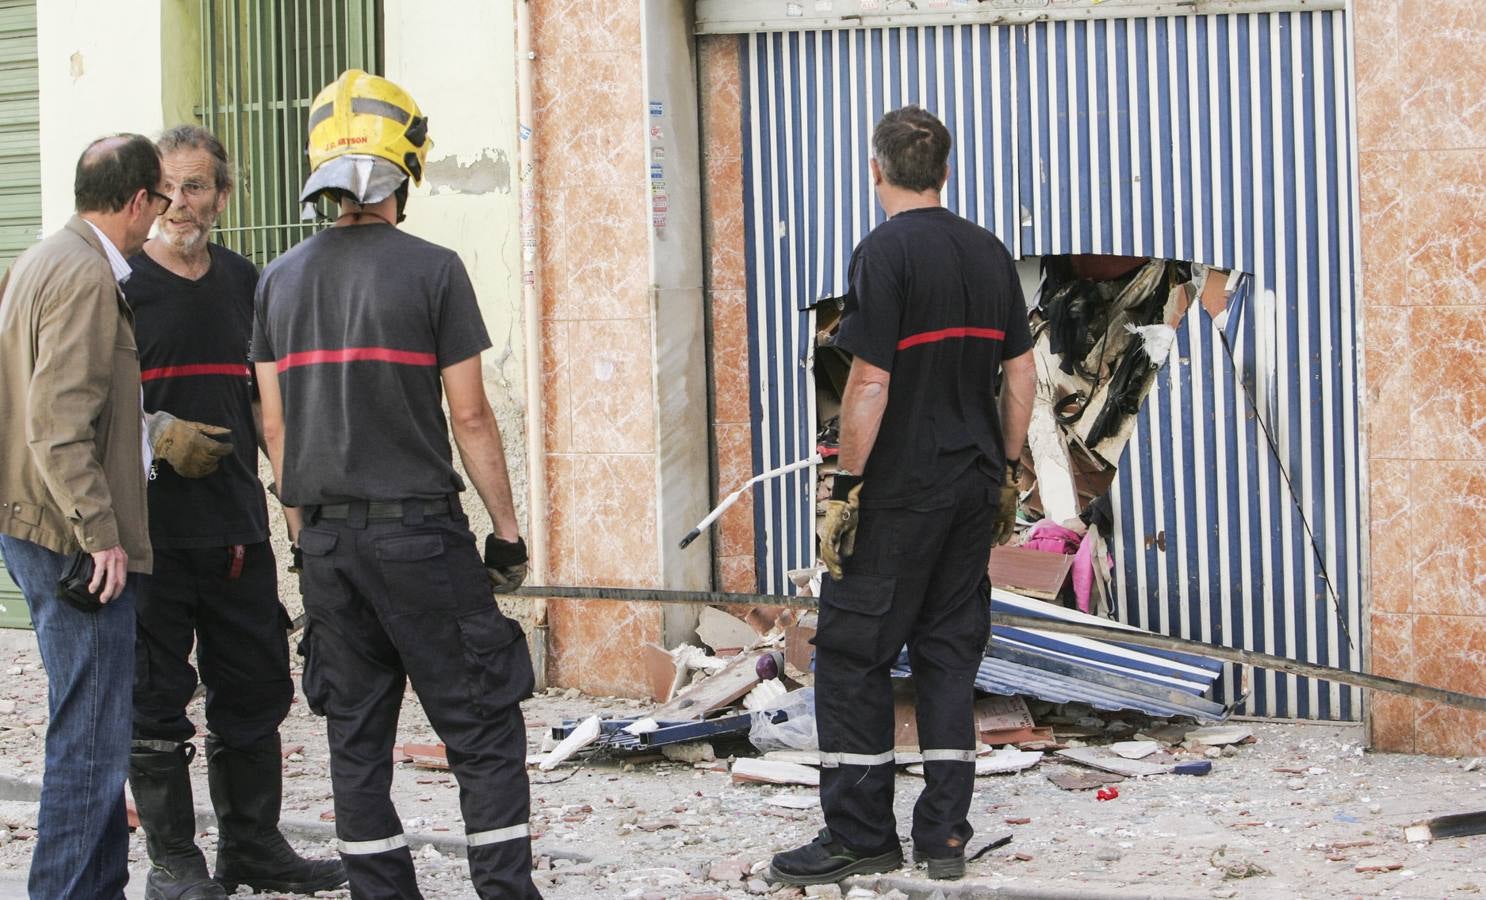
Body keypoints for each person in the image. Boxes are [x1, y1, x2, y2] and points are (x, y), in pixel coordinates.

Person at [252, 70, 538, 900]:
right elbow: (472, 417)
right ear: (405, 169)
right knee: (481, 724)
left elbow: (275, 430)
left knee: (356, 733)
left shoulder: (277, 281)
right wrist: (508, 534)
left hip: (328, 544)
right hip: (420, 536)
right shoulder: (435, 270)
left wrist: (307, 534)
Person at [767, 105, 1036, 886]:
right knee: (950, 656)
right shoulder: (989, 253)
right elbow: (1020, 375)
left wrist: (846, 485)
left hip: (899, 492)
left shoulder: (883, 253)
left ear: (876, 171)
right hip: (970, 486)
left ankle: (860, 836)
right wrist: (1007, 471)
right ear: (945, 172)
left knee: (852, 656)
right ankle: (944, 838)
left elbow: (871, 380)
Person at [124, 125, 346, 899]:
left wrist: (299, 531)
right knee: (153, 701)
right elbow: (76, 409)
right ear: (147, 197)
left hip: (237, 534)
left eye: (197, 188)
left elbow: (274, 414)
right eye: (167, 190)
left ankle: (252, 849)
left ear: (224, 195)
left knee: (254, 692)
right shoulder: (119, 286)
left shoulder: (248, 282)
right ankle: (174, 865)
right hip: (147, 540)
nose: (181, 205)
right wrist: (154, 431)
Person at [0, 135, 166, 900]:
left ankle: (94, 889)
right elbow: (58, 420)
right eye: (160, 202)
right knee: (90, 738)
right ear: (136, 201)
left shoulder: (42, 259)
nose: (160, 217)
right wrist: (100, 531)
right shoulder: (87, 275)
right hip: (70, 536)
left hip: (36, 522)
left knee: (92, 724)